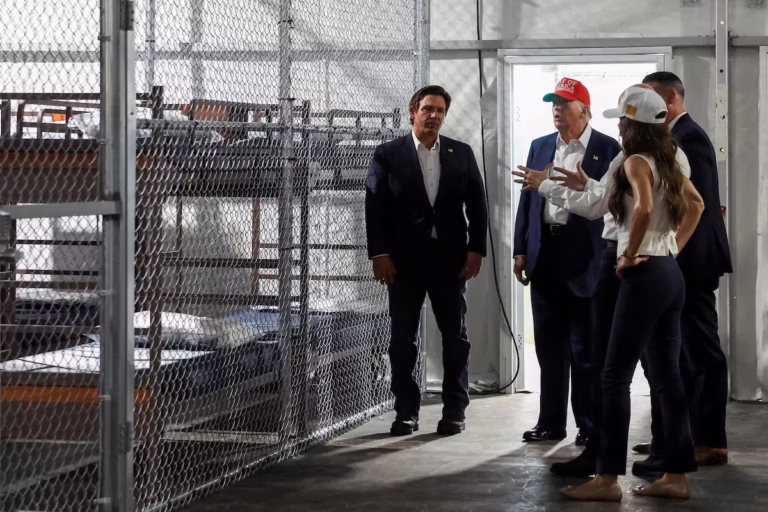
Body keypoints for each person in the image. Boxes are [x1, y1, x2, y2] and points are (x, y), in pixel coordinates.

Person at [512, 84, 693, 478]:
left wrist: (630, 251)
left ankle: (606, 475)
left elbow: (635, 207)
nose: (620, 127)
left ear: (635, 125)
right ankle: (676, 474)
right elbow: (693, 204)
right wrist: (671, 247)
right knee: (666, 374)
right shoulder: (672, 156)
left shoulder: (632, 159)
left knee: (612, 374)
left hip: (633, 269)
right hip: (666, 269)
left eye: (624, 121)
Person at [365, 85, 488, 436]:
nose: (434, 116)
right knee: (402, 339)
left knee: (455, 338)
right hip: (403, 263)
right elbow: (374, 206)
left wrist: (476, 249)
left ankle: (455, 411)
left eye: (440, 111)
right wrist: (379, 253)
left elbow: (477, 204)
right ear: (413, 112)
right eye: (428, 109)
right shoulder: (388, 154)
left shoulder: (460, 153)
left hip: (450, 261)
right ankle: (406, 411)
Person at [631, 71, 733, 475]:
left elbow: (695, 206)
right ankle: (679, 436)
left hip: (692, 262)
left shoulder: (689, 138)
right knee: (682, 355)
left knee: (702, 351)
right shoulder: (674, 137)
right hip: (680, 261)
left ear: (670, 98)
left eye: (651, 99)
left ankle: (710, 441)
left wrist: (669, 253)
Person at [513, 77, 621, 446]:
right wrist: (521, 249)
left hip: (587, 258)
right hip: (545, 255)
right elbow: (528, 200)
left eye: (564, 103)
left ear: (584, 111)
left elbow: (607, 204)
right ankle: (550, 422)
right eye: (553, 103)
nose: (557, 109)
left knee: (585, 348)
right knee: (548, 346)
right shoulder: (540, 145)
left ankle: (589, 426)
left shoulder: (608, 148)